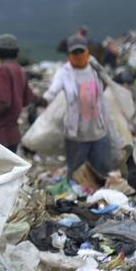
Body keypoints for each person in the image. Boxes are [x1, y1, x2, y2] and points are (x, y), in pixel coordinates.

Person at [42, 35, 113, 178]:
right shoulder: (64, 72)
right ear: (69, 55)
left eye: (81, 51)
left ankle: (99, 196)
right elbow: (52, 91)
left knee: (102, 170)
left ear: (87, 51)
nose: (79, 55)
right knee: (75, 171)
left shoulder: (94, 67)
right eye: (75, 53)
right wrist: (41, 100)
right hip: (76, 134)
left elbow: (107, 83)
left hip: (99, 129)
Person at [0, 34, 41, 152]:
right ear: (16, 52)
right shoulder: (19, 69)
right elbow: (29, 98)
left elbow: (4, 102)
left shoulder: (4, 70)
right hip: (13, 134)